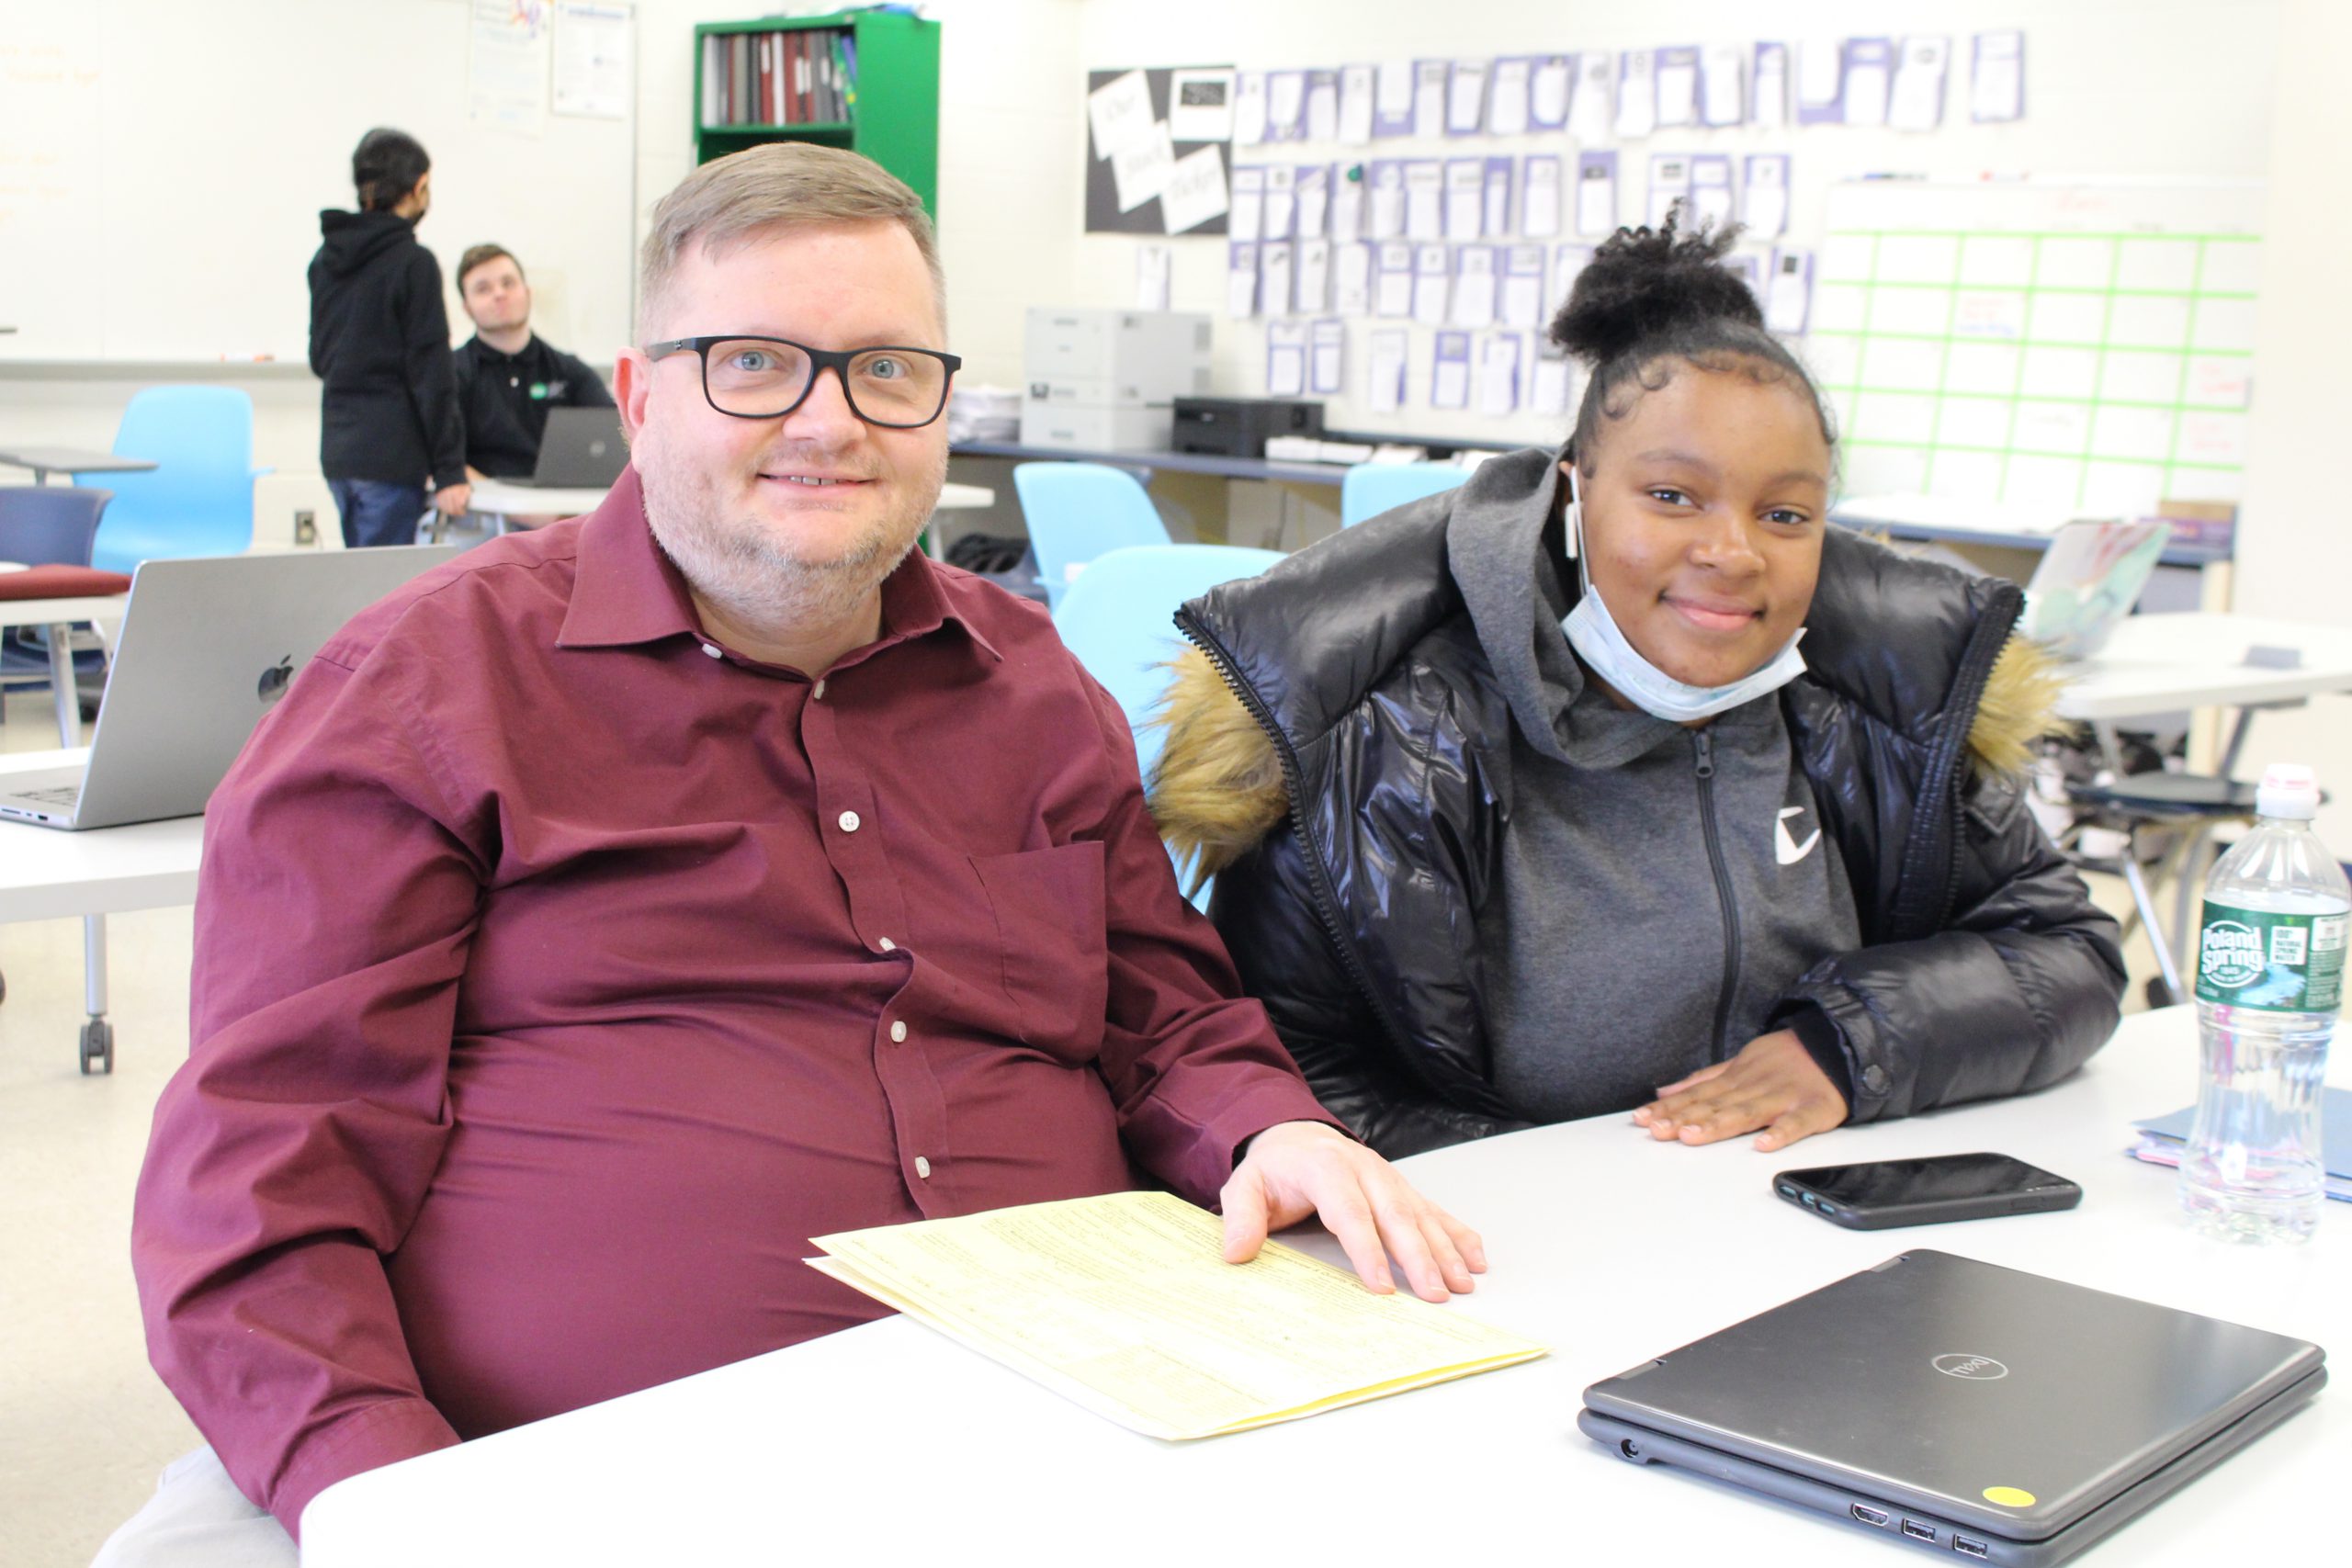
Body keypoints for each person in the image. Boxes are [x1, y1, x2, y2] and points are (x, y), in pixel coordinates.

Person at [101, 144, 1480, 1565]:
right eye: (754, 362)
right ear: (638, 400)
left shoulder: (1029, 685)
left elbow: (1166, 1007)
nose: (830, 421)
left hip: (1089, 1430)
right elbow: (264, 1174)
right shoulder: (424, 691)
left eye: (886, 368)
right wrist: (381, 1490)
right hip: (584, 1484)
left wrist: (1269, 1123)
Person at [1149, 217, 2127, 1161]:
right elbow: (1288, 1068)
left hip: (1803, 1224)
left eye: (1785, 514)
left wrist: (1850, 1045)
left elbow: (2062, 948)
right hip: (1508, 1256)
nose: (1732, 552)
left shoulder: (1884, 704)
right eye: (1671, 497)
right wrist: (1582, 1195)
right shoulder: (1374, 733)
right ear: (1572, 496)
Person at [308, 128, 469, 547]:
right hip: (391, 458)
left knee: (361, 578)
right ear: (418, 187)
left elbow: (319, 358)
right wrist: (450, 469)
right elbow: (431, 372)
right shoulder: (414, 264)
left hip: (340, 455)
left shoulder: (325, 261)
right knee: (382, 592)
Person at [450, 243, 616, 480]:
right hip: (485, 508)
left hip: (564, 504)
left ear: (527, 292)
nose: (499, 294)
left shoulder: (569, 371)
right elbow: (442, 462)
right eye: (483, 289)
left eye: (508, 283)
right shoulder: (451, 373)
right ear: (467, 308)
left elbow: (613, 435)